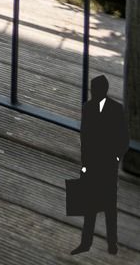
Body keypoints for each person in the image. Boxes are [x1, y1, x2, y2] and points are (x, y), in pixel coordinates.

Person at [73, 74, 127, 254]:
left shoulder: (115, 109)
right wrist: (84, 163)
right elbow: (85, 137)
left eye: (95, 89)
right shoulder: (88, 108)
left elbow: (123, 137)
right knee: (90, 206)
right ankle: (86, 243)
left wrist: (116, 158)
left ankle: (112, 243)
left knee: (110, 207)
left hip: (108, 163)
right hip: (92, 163)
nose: (93, 92)